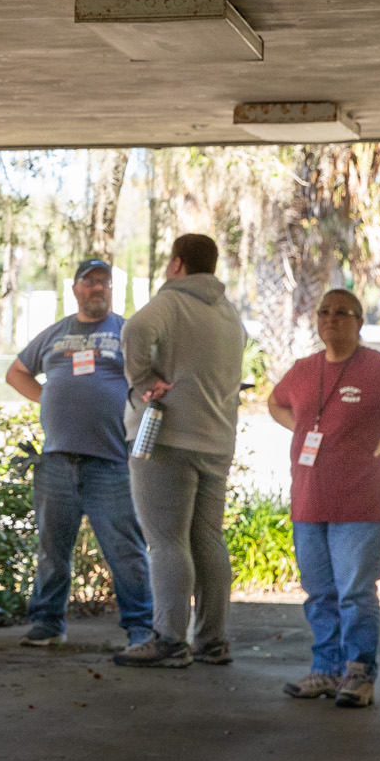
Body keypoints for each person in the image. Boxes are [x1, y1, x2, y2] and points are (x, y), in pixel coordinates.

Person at [5, 258, 155, 650]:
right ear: (75, 289)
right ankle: (47, 622)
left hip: (111, 462)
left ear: (111, 289)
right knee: (52, 550)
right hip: (56, 460)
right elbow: (16, 372)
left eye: (104, 282)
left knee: (125, 551)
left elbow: (152, 380)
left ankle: (142, 627)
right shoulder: (55, 333)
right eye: (89, 282)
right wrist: (49, 398)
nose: (97, 288)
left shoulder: (126, 332)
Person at [115, 234, 246, 669]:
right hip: (217, 441)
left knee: (166, 541)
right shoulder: (228, 313)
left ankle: (169, 640)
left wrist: (142, 380)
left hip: (166, 438)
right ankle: (212, 640)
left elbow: (134, 330)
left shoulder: (171, 302)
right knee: (207, 539)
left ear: (176, 264)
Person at [267, 287, 380, 707]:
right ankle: (325, 670)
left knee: (355, 593)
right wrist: (302, 429)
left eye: (341, 312)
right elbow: (275, 402)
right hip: (309, 500)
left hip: (362, 502)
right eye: (324, 312)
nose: (331, 319)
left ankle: (358, 674)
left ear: (359, 322)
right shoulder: (304, 369)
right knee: (319, 593)